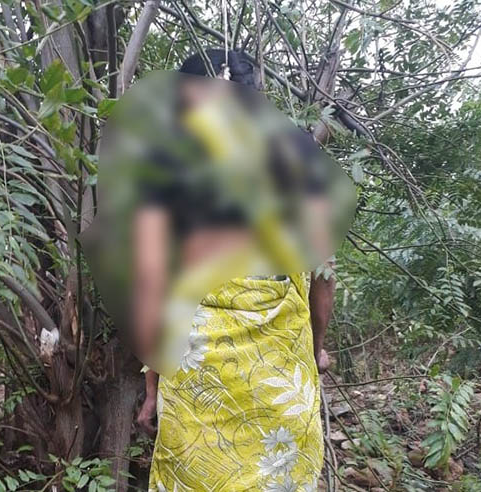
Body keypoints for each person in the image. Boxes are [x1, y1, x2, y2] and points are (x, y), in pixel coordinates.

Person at [134, 49, 336, 492]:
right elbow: (323, 276)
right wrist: (315, 350)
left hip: (196, 393)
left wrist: (151, 390)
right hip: (279, 386)